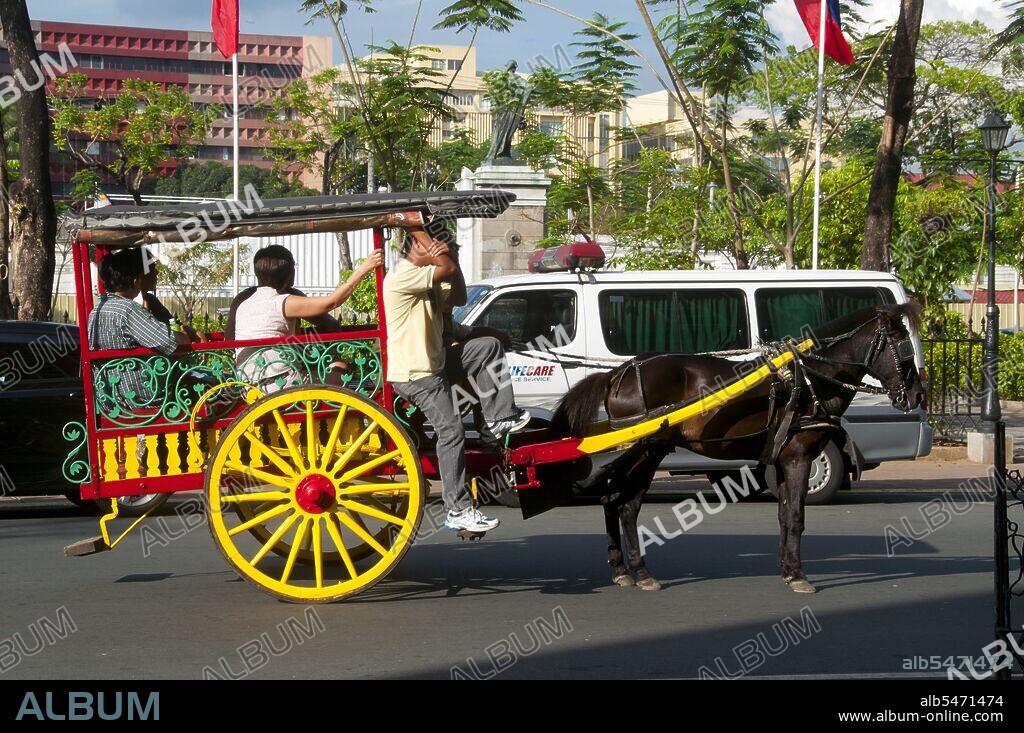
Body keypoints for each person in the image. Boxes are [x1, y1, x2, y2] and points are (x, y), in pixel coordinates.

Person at [383, 225, 530, 534]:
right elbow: (446, 267)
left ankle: (499, 418)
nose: (444, 255)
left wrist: (495, 334)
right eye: (439, 247)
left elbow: (459, 296)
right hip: (416, 374)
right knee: (451, 432)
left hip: (434, 365)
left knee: (487, 347)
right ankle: (458, 509)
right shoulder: (403, 275)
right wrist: (423, 233)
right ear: (419, 245)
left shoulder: (428, 282)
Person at [229, 244, 382, 391]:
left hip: (247, 386)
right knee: (341, 370)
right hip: (279, 384)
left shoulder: (243, 303)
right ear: (289, 275)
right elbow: (332, 302)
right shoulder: (281, 301)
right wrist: (364, 268)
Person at [87, 247, 191, 409]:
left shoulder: (98, 309)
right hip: (138, 397)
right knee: (199, 386)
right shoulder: (128, 310)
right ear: (135, 280)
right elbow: (171, 341)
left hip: (110, 395)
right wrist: (183, 335)